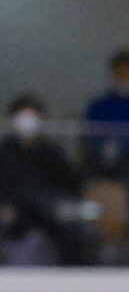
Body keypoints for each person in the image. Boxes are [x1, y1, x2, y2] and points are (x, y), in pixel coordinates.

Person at [0, 95, 85, 265]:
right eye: (23, 115)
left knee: (72, 228)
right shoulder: (4, 152)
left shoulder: (51, 152)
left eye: (33, 116)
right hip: (13, 209)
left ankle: (69, 274)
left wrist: (65, 206)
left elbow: (69, 183)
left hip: (47, 209)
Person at [83, 49, 129, 174]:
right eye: (120, 74)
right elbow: (91, 137)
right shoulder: (98, 106)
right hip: (103, 164)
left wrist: (127, 148)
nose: (124, 78)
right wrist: (107, 148)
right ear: (113, 74)